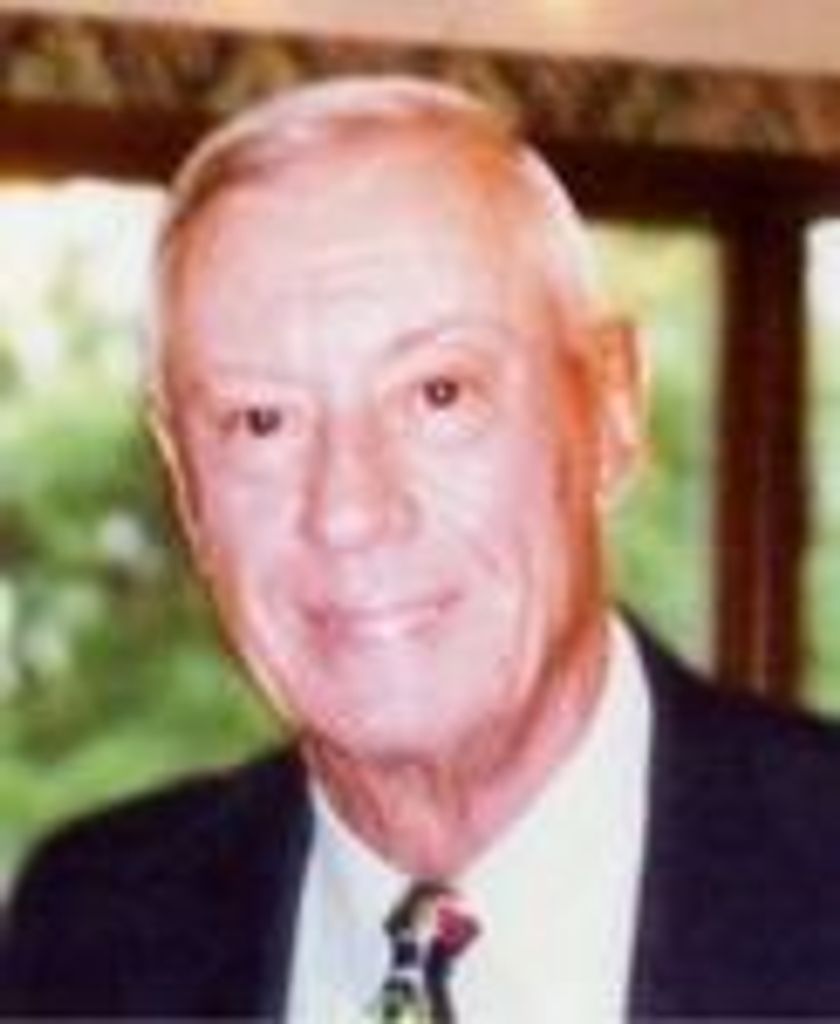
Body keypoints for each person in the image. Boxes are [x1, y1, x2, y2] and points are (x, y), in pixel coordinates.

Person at [4, 75, 840, 1022]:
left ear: (608, 411)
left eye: (439, 394)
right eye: (261, 421)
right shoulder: (88, 932)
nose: (348, 511)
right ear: (186, 484)